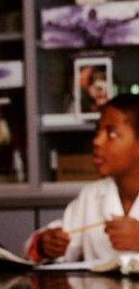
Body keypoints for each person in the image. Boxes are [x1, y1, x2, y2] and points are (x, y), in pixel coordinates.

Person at [26, 94, 139, 263]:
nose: (97, 141)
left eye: (112, 133)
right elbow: (55, 245)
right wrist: (46, 245)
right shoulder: (91, 196)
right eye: (98, 131)